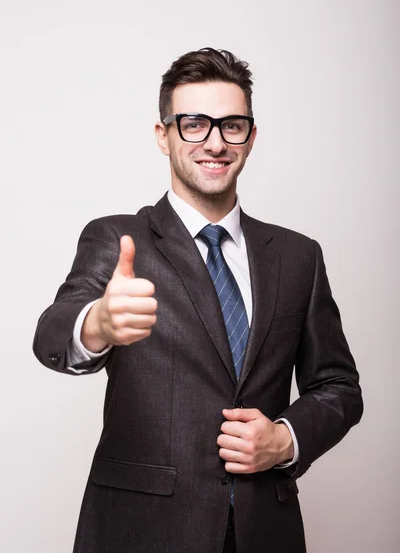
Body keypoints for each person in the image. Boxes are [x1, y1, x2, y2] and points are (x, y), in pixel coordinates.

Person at [33, 47, 363, 553]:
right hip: (141, 530)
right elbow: (53, 332)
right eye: (193, 124)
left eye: (231, 125)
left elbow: (339, 386)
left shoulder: (299, 257)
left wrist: (284, 439)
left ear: (250, 138)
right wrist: (96, 323)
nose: (214, 142)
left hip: (264, 533)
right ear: (163, 136)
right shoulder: (117, 238)